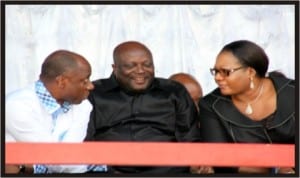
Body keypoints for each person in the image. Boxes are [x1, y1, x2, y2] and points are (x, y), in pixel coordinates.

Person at [85, 41, 200, 174]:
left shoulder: (173, 91)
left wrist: (195, 162)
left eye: (147, 65)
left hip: (167, 171)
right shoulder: (94, 93)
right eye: (130, 66)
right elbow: (85, 139)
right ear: (114, 67)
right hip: (110, 171)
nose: (140, 71)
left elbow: (189, 136)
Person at [198, 40, 295, 174]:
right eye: (215, 71)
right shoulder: (211, 105)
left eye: (225, 72)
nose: (218, 78)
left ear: (250, 72)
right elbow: (221, 158)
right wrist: (275, 170)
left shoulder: (293, 92)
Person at [5, 50, 107, 174]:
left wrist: (33, 166)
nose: (91, 86)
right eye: (84, 80)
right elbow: (56, 158)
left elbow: (68, 157)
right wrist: (96, 164)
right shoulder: (16, 106)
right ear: (61, 81)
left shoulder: (83, 106)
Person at [169, 73, 214, 174]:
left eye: (199, 101)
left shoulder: (209, 125)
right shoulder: (158, 130)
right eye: (188, 102)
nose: (196, 108)